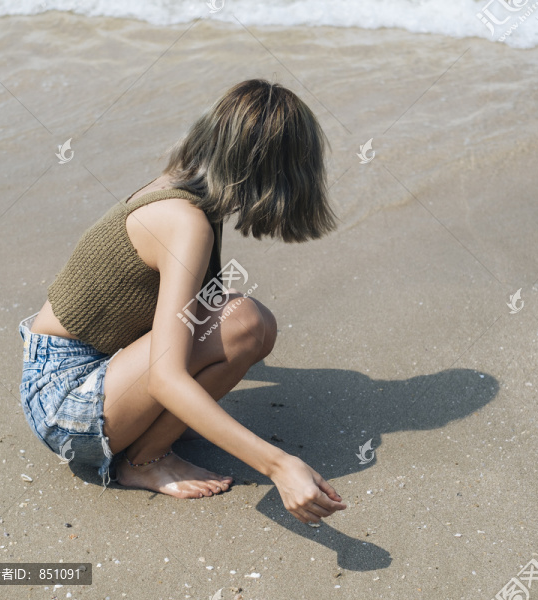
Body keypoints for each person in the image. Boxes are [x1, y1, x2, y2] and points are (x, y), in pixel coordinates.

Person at [18, 79, 345, 524]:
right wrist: (279, 466)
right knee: (244, 322)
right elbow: (167, 377)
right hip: (64, 403)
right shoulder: (184, 221)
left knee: (250, 323)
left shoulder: (186, 190)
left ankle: (148, 438)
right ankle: (144, 462)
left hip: (83, 371)